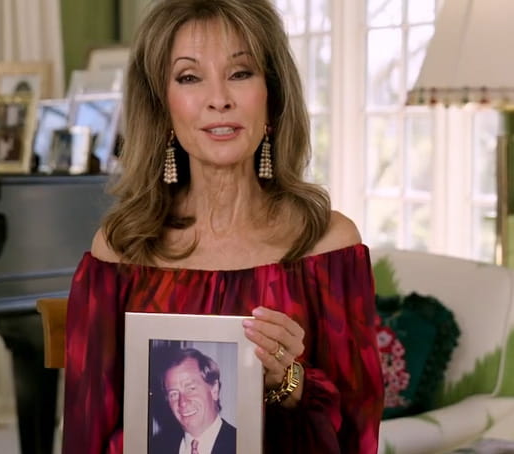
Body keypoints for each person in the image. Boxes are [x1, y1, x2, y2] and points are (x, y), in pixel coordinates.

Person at [62, 0, 384, 453]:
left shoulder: (329, 247)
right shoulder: (119, 253)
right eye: (190, 77)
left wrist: (287, 379)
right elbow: (86, 434)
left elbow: (358, 433)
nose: (219, 99)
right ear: (162, 106)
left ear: (271, 96)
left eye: (240, 72)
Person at [152, 348, 236, 454]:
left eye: (191, 388)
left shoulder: (242, 444)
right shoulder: (156, 447)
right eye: (174, 394)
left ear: (214, 390)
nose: (182, 402)